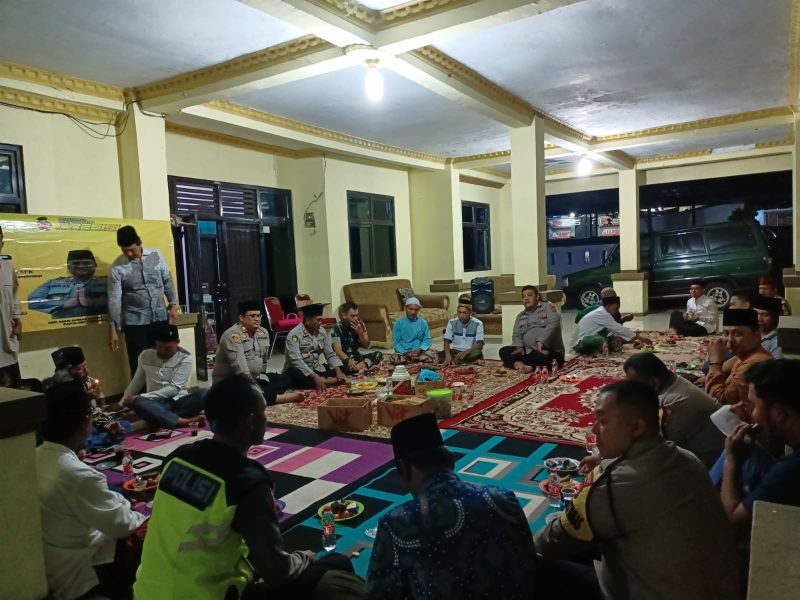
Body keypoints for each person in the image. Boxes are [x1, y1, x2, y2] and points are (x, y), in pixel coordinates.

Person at [134, 375, 364, 600]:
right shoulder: (247, 482)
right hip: (208, 593)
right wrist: (306, 557)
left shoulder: (177, 458)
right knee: (336, 564)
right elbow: (277, 571)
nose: (266, 418)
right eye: (263, 410)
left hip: (146, 591)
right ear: (251, 420)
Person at [534, 380, 739, 600]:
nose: (594, 429)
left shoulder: (617, 485)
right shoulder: (687, 458)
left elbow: (549, 543)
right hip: (719, 589)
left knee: (534, 561)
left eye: (602, 421)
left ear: (637, 427)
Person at [364, 413, 537, 599]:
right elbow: (531, 570)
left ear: (405, 469)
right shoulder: (503, 498)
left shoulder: (397, 523)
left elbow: (378, 594)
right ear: (451, 461)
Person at [37, 381, 146, 600]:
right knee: (148, 529)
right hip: (78, 571)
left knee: (117, 494)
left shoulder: (36, 454)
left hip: (51, 556)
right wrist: (139, 512)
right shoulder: (79, 476)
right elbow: (124, 525)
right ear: (85, 423)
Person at [720, 360, 800, 536]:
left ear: (778, 413)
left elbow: (734, 523)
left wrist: (731, 461)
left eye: (753, 405)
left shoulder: (790, 470)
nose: (747, 410)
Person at [624, 352, 723, 468]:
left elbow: (652, 450)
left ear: (654, 383)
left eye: (635, 386)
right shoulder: (675, 383)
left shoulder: (675, 404)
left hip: (711, 468)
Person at [108, 225, 179, 378]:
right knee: (139, 366)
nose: (128, 254)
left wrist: (173, 303)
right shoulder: (117, 267)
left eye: (131, 249)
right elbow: (114, 299)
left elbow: (167, 280)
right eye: (124, 250)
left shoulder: (156, 255)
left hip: (160, 319)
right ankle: (141, 394)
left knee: (164, 362)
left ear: (139, 243)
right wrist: (113, 329)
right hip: (135, 324)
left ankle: (164, 392)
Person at [213, 301, 303, 404]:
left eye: (259, 315)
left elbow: (264, 362)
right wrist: (256, 386)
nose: (257, 319)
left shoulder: (263, 332)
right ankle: (281, 398)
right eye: (252, 316)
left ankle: (262, 394)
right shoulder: (233, 335)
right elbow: (241, 371)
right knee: (248, 392)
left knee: (284, 379)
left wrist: (261, 380)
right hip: (232, 382)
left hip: (254, 378)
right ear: (242, 318)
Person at [121, 324, 206, 430]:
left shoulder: (185, 357)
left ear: (177, 342)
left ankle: (159, 419)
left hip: (178, 401)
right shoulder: (145, 355)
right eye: (159, 347)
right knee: (138, 402)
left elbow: (174, 388)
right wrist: (123, 403)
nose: (163, 351)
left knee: (205, 393)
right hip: (155, 403)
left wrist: (143, 396)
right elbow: (137, 380)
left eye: (168, 348)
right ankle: (181, 420)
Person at [43, 346, 129, 447]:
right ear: (66, 372)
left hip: (87, 427)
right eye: (79, 368)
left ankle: (87, 444)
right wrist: (84, 399)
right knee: (85, 436)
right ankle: (84, 445)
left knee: (125, 425)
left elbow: (94, 412)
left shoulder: (85, 382)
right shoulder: (56, 388)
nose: (86, 371)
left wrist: (109, 424)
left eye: (85, 366)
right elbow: (65, 420)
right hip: (68, 431)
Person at [705, 308, 773, 405]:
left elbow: (720, 401)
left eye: (737, 334)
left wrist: (715, 361)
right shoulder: (745, 354)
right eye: (726, 333)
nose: (730, 340)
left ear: (756, 336)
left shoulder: (754, 363)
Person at [499, 285, 564, 372]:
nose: (526, 298)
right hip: (528, 351)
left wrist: (541, 341)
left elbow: (554, 323)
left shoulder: (547, 307)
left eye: (529, 295)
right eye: (523, 296)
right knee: (503, 351)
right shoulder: (520, 316)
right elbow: (517, 334)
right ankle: (518, 364)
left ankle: (528, 366)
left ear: (537, 297)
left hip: (546, 350)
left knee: (550, 358)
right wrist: (519, 347)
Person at [283, 303, 347, 391]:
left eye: (321, 320)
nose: (321, 323)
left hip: (316, 368)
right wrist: (316, 377)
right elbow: (296, 361)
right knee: (294, 376)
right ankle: (327, 381)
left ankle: (326, 380)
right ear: (308, 320)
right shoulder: (294, 335)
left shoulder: (322, 331)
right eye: (318, 320)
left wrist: (338, 371)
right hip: (299, 370)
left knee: (342, 366)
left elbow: (330, 354)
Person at [28, 249, 107, 318]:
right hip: (63, 328)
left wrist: (94, 302)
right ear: (68, 267)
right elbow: (32, 302)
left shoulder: (107, 282)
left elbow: (115, 300)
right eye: (76, 263)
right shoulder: (53, 283)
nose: (81, 266)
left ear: (95, 265)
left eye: (86, 263)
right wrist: (65, 303)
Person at [572, 295, 651, 354]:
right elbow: (618, 328)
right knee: (602, 340)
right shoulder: (601, 313)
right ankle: (604, 355)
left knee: (614, 339)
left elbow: (614, 331)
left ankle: (599, 350)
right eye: (616, 309)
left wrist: (633, 340)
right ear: (608, 306)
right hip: (581, 341)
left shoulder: (604, 312)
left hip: (593, 338)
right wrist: (641, 338)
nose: (617, 311)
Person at [331, 301, 384, 374]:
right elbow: (338, 351)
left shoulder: (359, 324)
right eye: (353, 316)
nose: (356, 318)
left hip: (356, 357)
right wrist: (348, 360)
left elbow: (366, 345)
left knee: (378, 354)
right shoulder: (336, 328)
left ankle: (357, 368)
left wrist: (360, 333)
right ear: (344, 316)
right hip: (345, 359)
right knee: (339, 367)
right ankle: (361, 368)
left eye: (357, 315)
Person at [0, 225, 22, 386]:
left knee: (15, 392)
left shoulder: (8, 267)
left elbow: (14, 295)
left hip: (6, 343)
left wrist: (18, 320)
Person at [440, 298, 484, 365]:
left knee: (477, 353)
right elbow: (446, 341)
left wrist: (466, 352)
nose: (461, 315)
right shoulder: (451, 322)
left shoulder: (478, 323)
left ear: (470, 313)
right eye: (459, 312)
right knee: (438, 354)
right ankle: (464, 362)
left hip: (471, 352)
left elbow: (480, 344)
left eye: (464, 313)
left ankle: (459, 361)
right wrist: (447, 355)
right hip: (456, 351)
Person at [391, 297, 435, 363]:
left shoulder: (423, 322)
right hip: (404, 352)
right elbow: (396, 343)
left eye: (416, 310)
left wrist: (419, 350)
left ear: (419, 310)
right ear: (405, 308)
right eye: (410, 309)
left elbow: (427, 340)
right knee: (394, 358)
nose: (413, 312)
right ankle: (413, 359)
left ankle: (412, 360)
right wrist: (405, 352)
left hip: (419, 351)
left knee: (432, 355)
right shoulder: (398, 323)